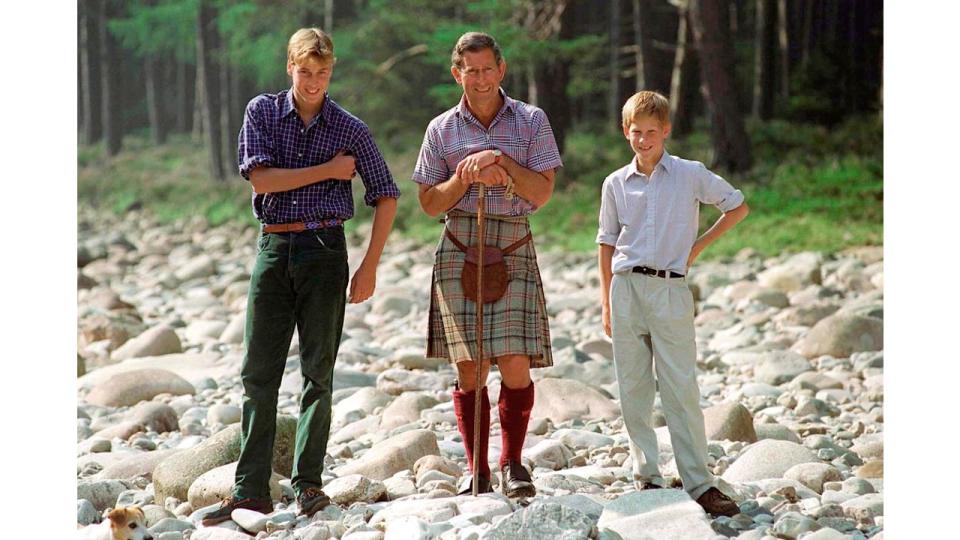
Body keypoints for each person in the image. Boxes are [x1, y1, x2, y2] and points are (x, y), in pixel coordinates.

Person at [202, 28, 400, 525]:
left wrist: (370, 264)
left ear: (331, 71)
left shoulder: (350, 126)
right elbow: (261, 178)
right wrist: (329, 170)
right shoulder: (262, 112)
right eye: (305, 71)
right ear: (290, 67)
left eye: (323, 72)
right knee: (258, 375)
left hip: (325, 250)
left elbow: (387, 193)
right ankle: (250, 492)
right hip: (274, 246)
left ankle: (308, 486)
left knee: (318, 375)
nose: (313, 82)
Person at [413, 32, 562, 498]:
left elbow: (540, 193)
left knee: (515, 362)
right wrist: (466, 174)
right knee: (470, 367)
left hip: (513, 242)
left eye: (486, 69)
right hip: (459, 242)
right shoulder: (441, 129)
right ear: (457, 73)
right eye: (469, 70)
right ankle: (476, 468)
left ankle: (512, 464)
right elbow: (428, 202)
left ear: (502, 69)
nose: (479, 79)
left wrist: (500, 162)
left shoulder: (532, 120)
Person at [597, 90, 749, 517]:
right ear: (626, 132)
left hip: (670, 289)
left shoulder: (689, 174)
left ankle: (700, 483)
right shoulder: (615, 183)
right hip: (625, 289)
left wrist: (696, 249)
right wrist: (606, 301)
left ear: (666, 131)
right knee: (633, 388)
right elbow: (607, 242)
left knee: (680, 387)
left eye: (651, 132)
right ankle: (646, 476)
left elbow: (736, 206)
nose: (643, 140)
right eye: (635, 132)